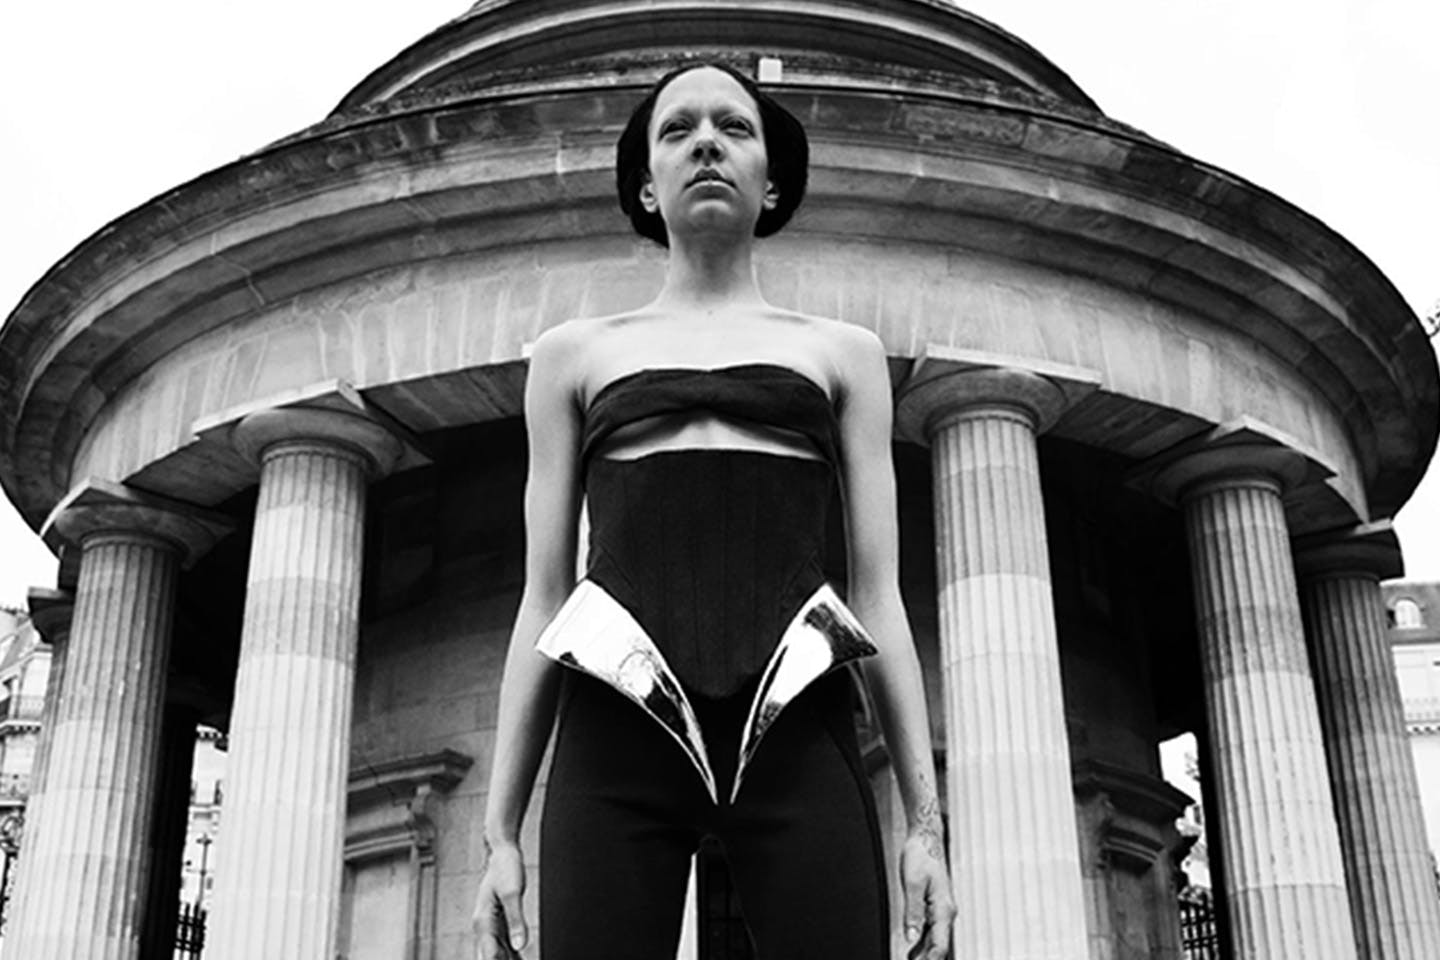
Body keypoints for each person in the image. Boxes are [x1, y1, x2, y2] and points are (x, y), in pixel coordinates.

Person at [473, 62, 955, 960]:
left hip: (798, 729)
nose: (705, 142)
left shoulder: (843, 355)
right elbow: (544, 599)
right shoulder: (573, 357)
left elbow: (877, 597)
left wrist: (924, 825)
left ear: (771, 182)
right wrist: (500, 831)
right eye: (677, 129)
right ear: (645, 187)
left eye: (734, 128)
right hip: (617, 734)